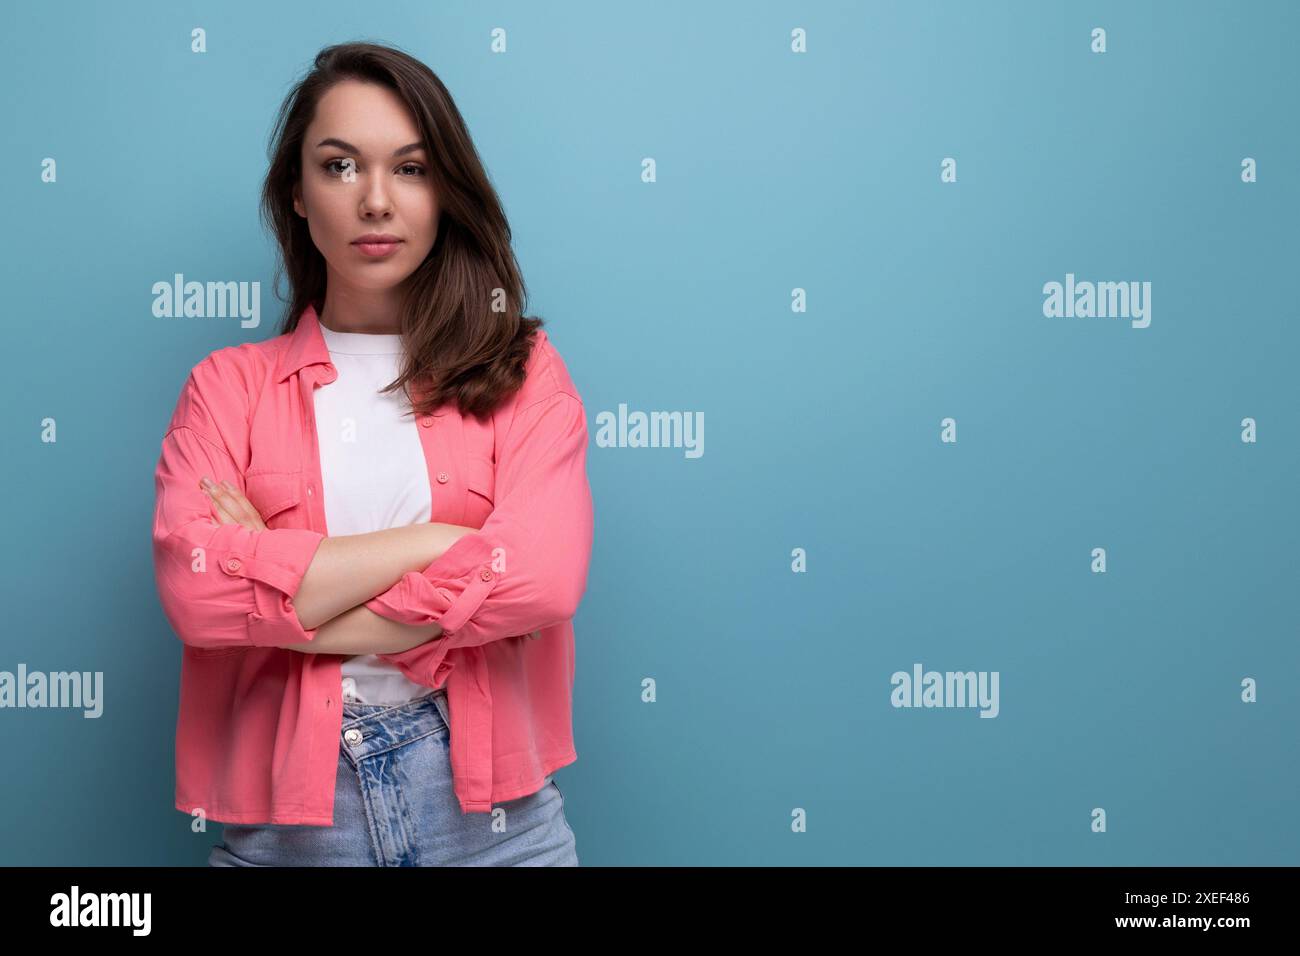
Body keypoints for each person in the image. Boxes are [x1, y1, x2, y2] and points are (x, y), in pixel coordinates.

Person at [151, 41, 593, 866]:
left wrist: (289, 611)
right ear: (298, 192)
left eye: (413, 169)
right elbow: (198, 593)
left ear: (444, 192)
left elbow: (543, 577)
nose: (377, 200)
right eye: (341, 165)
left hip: (498, 829)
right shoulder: (226, 389)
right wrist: (442, 545)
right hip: (293, 834)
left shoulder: (523, 369)